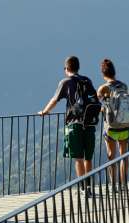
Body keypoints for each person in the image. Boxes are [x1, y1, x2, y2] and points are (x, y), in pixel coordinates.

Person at [38, 55, 102, 191]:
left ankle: (83, 188)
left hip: (74, 123)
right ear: (78, 68)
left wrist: (44, 111)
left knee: (78, 158)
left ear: (66, 69)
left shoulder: (66, 82)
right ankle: (88, 186)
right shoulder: (87, 80)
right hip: (89, 123)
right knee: (88, 158)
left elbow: (54, 100)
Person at [96, 58, 129, 191]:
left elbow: (98, 103)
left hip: (111, 127)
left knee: (111, 156)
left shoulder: (103, 88)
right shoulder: (123, 86)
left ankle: (113, 185)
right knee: (124, 155)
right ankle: (123, 184)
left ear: (103, 73)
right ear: (114, 72)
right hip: (125, 125)